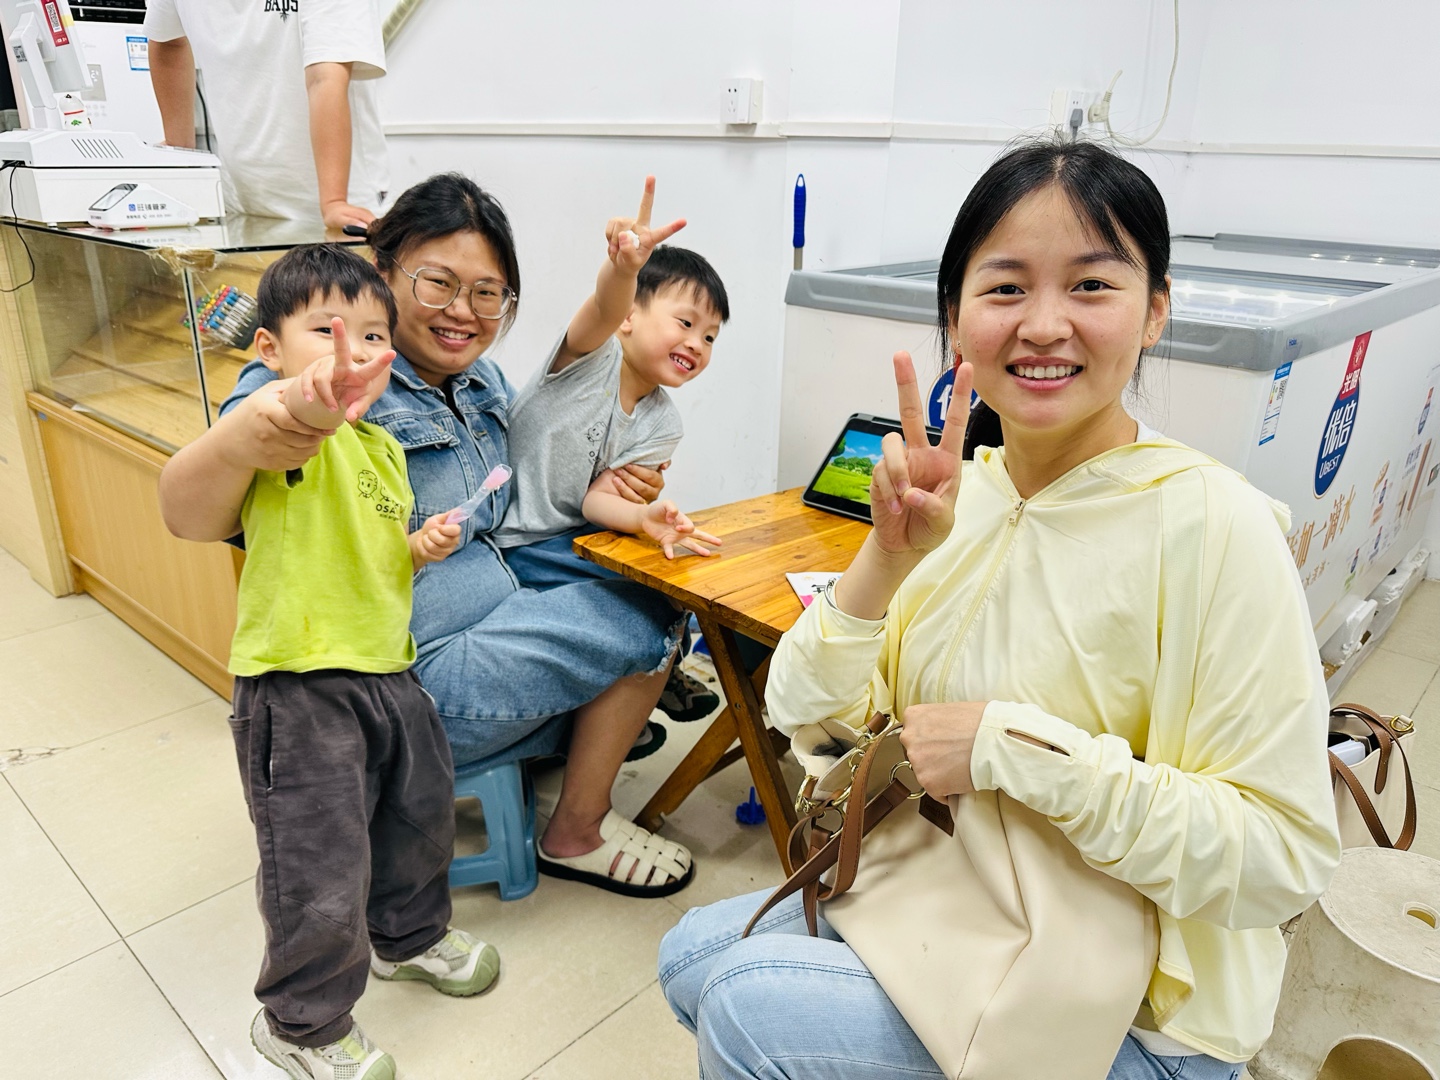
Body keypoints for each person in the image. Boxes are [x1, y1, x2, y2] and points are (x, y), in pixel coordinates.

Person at [657, 139, 1342, 1079]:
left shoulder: (1217, 526)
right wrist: (885, 558)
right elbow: (805, 719)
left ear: (1156, 310)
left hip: (1136, 1005)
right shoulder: (964, 496)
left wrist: (1012, 749)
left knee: (745, 1008)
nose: (1045, 325)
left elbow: (1282, 858)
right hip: (948, 896)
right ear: (955, 317)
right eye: (1007, 287)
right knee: (687, 959)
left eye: (1092, 286)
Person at [158, 173, 696, 899]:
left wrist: (623, 491)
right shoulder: (331, 375)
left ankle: (575, 738)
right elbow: (189, 514)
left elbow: (525, 486)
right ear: (383, 272)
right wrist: (250, 436)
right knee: (650, 622)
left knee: (654, 581)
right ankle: (577, 827)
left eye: (487, 293)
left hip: (496, 613)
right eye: (439, 283)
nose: (463, 312)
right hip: (404, 678)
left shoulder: (482, 383)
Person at [160, 244, 498, 1080]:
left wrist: (417, 547)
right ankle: (301, 1025)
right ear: (269, 348)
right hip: (298, 686)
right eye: (327, 331)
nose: (354, 352)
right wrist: (286, 412)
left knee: (416, 823)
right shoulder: (284, 427)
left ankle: (406, 938)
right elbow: (215, 474)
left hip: (389, 671)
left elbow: (373, 551)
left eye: (374, 336)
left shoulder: (381, 449)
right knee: (319, 864)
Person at [495, 177, 729, 586]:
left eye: (709, 337)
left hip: (573, 538)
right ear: (629, 318)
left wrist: (643, 517)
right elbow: (606, 306)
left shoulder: (663, 424)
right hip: (513, 536)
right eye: (686, 323)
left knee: (669, 583)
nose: (697, 344)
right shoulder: (592, 353)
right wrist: (624, 269)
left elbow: (597, 501)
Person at [145, 0, 387, 228]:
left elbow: (325, 76)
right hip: (243, 201)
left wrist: (334, 201)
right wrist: (182, 156)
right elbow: (167, 40)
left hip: (337, 204)